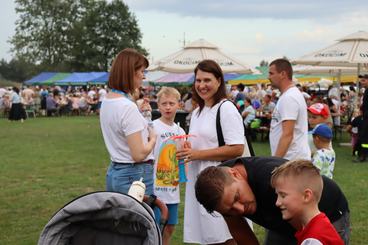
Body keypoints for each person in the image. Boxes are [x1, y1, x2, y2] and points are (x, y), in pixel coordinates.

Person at [195, 156, 350, 245]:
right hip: (283, 222)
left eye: (237, 198)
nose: (240, 210)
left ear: (235, 174)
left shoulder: (272, 182)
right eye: (229, 211)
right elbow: (240, 231)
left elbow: (303, 230)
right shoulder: (218, 188)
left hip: (326, 212)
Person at [177, 59, 245, 245]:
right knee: (208, 235)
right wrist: (189, 149)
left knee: (224, 234)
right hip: (200, 180)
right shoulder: (199, 111)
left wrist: (197, 155)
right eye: (198, 80)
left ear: (219, 81)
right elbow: (201, 143)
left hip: (222, 181)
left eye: (207, 80)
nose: (201, 85)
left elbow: (237, 148)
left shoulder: (226, 108)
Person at [100, 48, 157, 195]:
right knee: (144, 217)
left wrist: (141, 114)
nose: (143, 77)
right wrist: (153, 139)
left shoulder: (107, 101)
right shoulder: (127, 106)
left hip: (117, 171)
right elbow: (138, 154)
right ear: (131, 72)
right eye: (142, 71)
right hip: (134, 175)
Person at [271, 159, 344, 245]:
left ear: (306, 196)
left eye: (283, 195)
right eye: (277, 195)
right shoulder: (318, 225)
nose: (277, 202)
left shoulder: (314, 239)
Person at [152, 87, 185, 245]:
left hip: (172, 187)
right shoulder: (152, 127)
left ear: (179, 105)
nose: (167, 107)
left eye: (171, 103)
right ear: (158, 106)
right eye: (164, 103)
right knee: (155, 226)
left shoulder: (180, 130)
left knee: (170, 226)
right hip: (155, 186)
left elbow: (182, 157)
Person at [268, 59, 310, 160]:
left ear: (283, 74)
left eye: (271, 73)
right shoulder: (288, 95)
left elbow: (287, 134)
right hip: (291, 159)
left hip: (292, 161)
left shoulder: (289, 97)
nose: (268, 77)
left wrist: (274, 162)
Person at [356, 74, 368, 162]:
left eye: (364, 80)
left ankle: (363, 156)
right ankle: (363, 155)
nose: (361, 82)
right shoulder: (366, 90)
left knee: (364, 136)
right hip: (365, 116)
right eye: (361, 80)